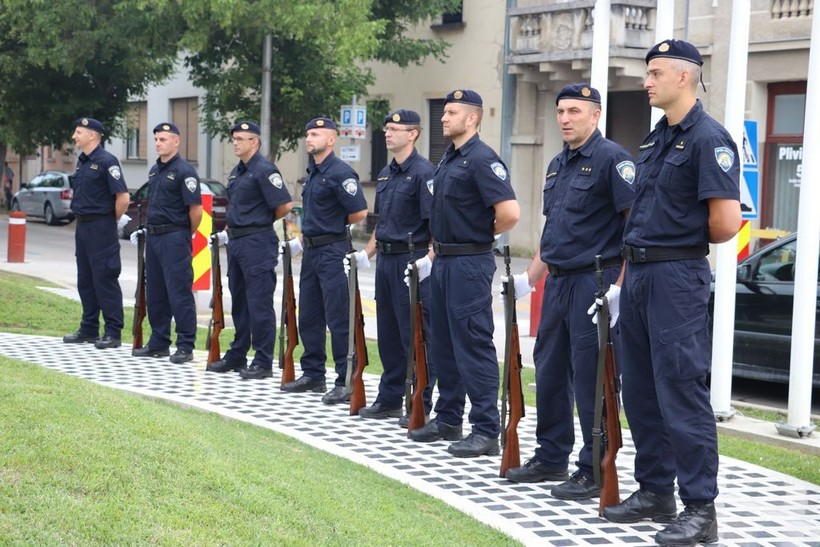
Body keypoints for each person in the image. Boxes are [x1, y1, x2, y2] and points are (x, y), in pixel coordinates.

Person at [600, 40, 741, 547]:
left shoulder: (709, 138)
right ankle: (655, 491)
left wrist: (675, 239)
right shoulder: (655, 139)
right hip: (639, 275)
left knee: (680, 390)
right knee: (640, 389)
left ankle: (700, 509)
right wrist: (625, 279)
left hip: (676, 277)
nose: (646, 81)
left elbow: (726, 223)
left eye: (655, 72)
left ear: (684, 77)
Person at [501, 84, 635, 499]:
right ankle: (551, 455)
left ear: (595, 115)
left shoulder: (613, 160)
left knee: (591, 376)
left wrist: (619, 288)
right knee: (550, 370)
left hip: (593, 281)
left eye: (574, 111)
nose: (564, 118)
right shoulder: (558, 164)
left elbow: (634, 226)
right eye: (560, 111)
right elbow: (553, 232)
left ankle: (595, 467)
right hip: (556, 282)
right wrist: (529, 279)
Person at [407, 89, 519, 458]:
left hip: (469, 262)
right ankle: (448, 418)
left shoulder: (482, 159)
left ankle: (485, 430)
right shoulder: (449, 158)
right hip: (444, 261)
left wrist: (478, 236)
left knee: (472, 343)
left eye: (451, 112)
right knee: (443, 343)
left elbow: (509, 214)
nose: (443, 118)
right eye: (444, 112)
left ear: (472, 118)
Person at [348, 109, 437, 425]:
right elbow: (382, 222)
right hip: (385, 260)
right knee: (387, 333)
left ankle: (420, 401)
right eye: (386, 128)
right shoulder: (386, 173)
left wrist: (428, 260)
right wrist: (366, 254)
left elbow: (435, 224)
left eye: (395, 129)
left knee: (414, 334)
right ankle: (389, 398)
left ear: (413, 134)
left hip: (410, 260)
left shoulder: (424, 173)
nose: (387, 133)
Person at [280, 117, 368, 404]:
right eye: (308, 134)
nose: (309, 138)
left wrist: (333, 227)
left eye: (316, 134)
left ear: (331, 139)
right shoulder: (313, 173)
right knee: (309, 314)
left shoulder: (341, 172)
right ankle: (313, 373)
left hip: (332, 250)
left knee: (338, 316)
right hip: (311, 251)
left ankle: (345, 379)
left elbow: (359, 212)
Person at [206, 121, 293, 379]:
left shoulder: (264, 169)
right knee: (240, 301)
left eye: (240, 139)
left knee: (259, 302)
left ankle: (263, 360)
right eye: (233, 138)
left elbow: (284, 205)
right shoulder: (238, 171)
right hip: (237, 243)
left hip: (257, 242)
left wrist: (259, 222)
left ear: (254, 142)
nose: (235, 142)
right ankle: (239, 352)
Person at [129, 122, 203, 363]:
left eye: (163, 139)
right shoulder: (154, 171)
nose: (158, 144)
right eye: (156, 139)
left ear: (176, 141)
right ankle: (159, 342)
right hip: (154, 237)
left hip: (174, 237)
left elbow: (196, 210)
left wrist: (184, 233)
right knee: (156, 291)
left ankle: (185, 345)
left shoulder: (184, 171)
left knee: (178, 291)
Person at [62, 117, 130, 349]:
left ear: (92, 135)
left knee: (105, 277)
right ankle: (89, 328)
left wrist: (111, 219)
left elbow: (123, 198)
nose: (74, 136)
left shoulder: (107, 161)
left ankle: (113, 331)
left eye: (78, 132)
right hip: (83, 226)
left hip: (101, 226)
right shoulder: (82, 161)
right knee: (86, 279)